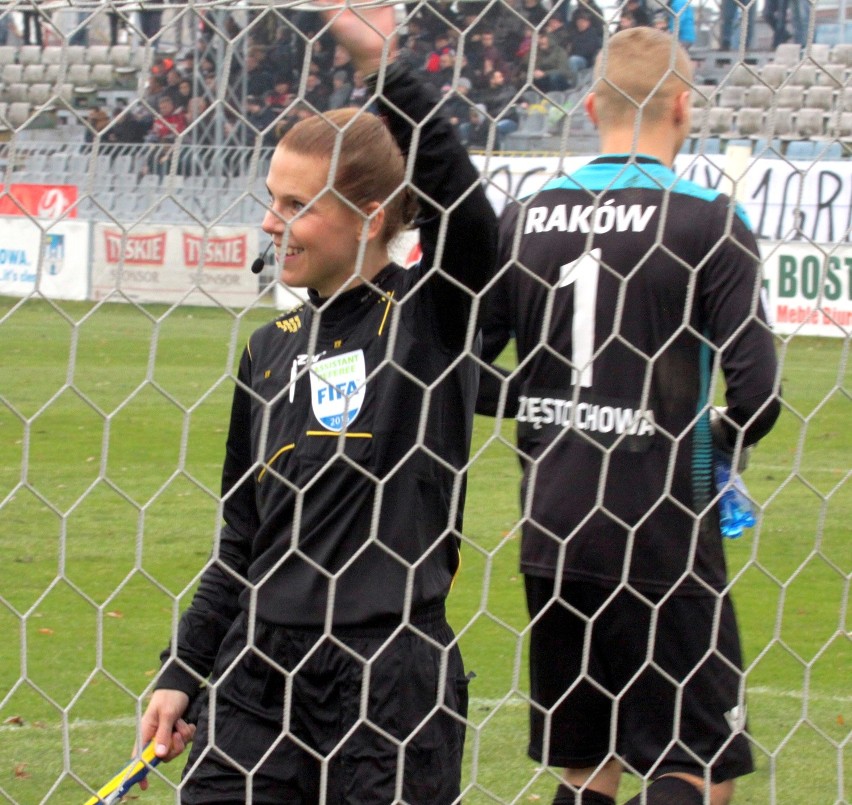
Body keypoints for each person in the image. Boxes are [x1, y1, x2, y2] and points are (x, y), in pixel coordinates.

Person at [137, 3, 497, 803]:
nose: (273, 222)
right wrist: (183, 668)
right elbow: (241, 536)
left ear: (371, 218)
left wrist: (384, 68)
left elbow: (469, 221)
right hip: (257, 677)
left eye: (298, 205)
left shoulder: (430, 322)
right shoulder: (270, 349)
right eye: (273, 196)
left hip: (387, 687)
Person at [476, 27, 779, 805]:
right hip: (660, 530)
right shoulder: (709, 220)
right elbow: (758, 392)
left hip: (554, 529)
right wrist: (710, 448)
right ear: (684, 107)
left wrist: (550, 404)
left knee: (589, 763)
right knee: (699, 765)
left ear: (589, 105)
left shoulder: (527, 216)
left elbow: (464, 373)